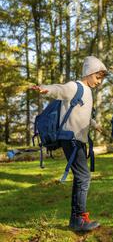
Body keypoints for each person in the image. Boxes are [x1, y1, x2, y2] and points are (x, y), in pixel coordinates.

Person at [30, 56, 107, 231]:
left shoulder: (87, 92)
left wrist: (95, 125)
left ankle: (77, 218)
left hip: (78, 140)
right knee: (83, 176)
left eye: (101, 78)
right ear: (88, 73)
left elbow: (83, 114)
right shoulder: (75, 87)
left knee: (82, 176)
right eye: (97, 77)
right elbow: (60, 89)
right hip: (70, 138)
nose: (99, 81)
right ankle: (78, 219)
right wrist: (45, 89)